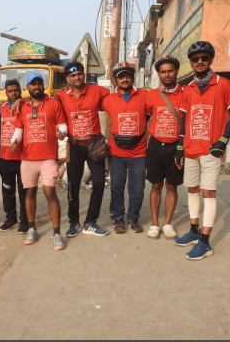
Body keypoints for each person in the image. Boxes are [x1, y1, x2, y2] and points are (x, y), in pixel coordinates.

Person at [174, 41, 230, 260]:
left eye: (204, 58)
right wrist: (180, 147)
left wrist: (223, 140)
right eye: (195, 59)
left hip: (211, 149)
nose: (200, 62)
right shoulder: (189, 89)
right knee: (192, 189)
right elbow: (183, 119)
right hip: (191, 148)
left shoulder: (224, 84)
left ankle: (205, 241)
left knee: (208, 193)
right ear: (191, 63)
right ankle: (194, 231)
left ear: (211, 60)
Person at [9, 73, 68, 251]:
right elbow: (19, 129)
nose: (37, 87)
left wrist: (62, 133)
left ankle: (57, 233)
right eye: (33, 84)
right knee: (29, 194)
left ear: (44, 85)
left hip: (48, 157)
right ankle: (32, 229)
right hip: (28, 159)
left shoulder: (54, 103)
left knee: (50, 192)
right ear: (28, 87)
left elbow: (62, 125)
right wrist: (14, 142)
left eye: (39, 83)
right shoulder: (23, 106)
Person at [55, 62, 111, 237]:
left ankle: (90, 222)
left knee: (100, 182)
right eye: (72, 76)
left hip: (94, 145)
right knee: (73, 184)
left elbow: (118, 97)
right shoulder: (62, 95)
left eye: (79, 74)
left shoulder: (97, 91)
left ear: (84, 75)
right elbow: (40, 99)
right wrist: (20, 100)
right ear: (67, 79)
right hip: (75, 146)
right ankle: (74, 221)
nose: (76, 77)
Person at [101, 62, 148, 235]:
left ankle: (133, 218)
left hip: (139, 153)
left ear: (133, 78)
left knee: (137, 188)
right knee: (117, 187)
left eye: (128, 75)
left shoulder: (144, 97)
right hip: (116, 153)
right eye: (121, 76)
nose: (125, 79)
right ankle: (118, 218)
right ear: (115, 80)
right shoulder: (108, 100)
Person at [144, 55, 185, 239]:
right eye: (163, 72)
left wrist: (183, 148)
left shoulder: (186, 94)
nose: (167, 75)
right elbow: (143, 118)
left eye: (170, 71)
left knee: (172, 186)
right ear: (158, 74)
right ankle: (154, 223)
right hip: (155, 146)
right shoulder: (151, 96)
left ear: (176, 71)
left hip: (176, 147)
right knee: (156, 185)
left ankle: (167, 223)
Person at [0, 79, 28, 233]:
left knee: (24, 191)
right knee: (7, 190)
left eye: (16, 90)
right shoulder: (0, 108)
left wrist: (23, 100)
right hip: (5, 157)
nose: (13, 93)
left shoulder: (26, 106)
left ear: (21, 91)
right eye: (10, 91)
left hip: (23, 158)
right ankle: (11, 218)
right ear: (6, 92)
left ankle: (24, 220)